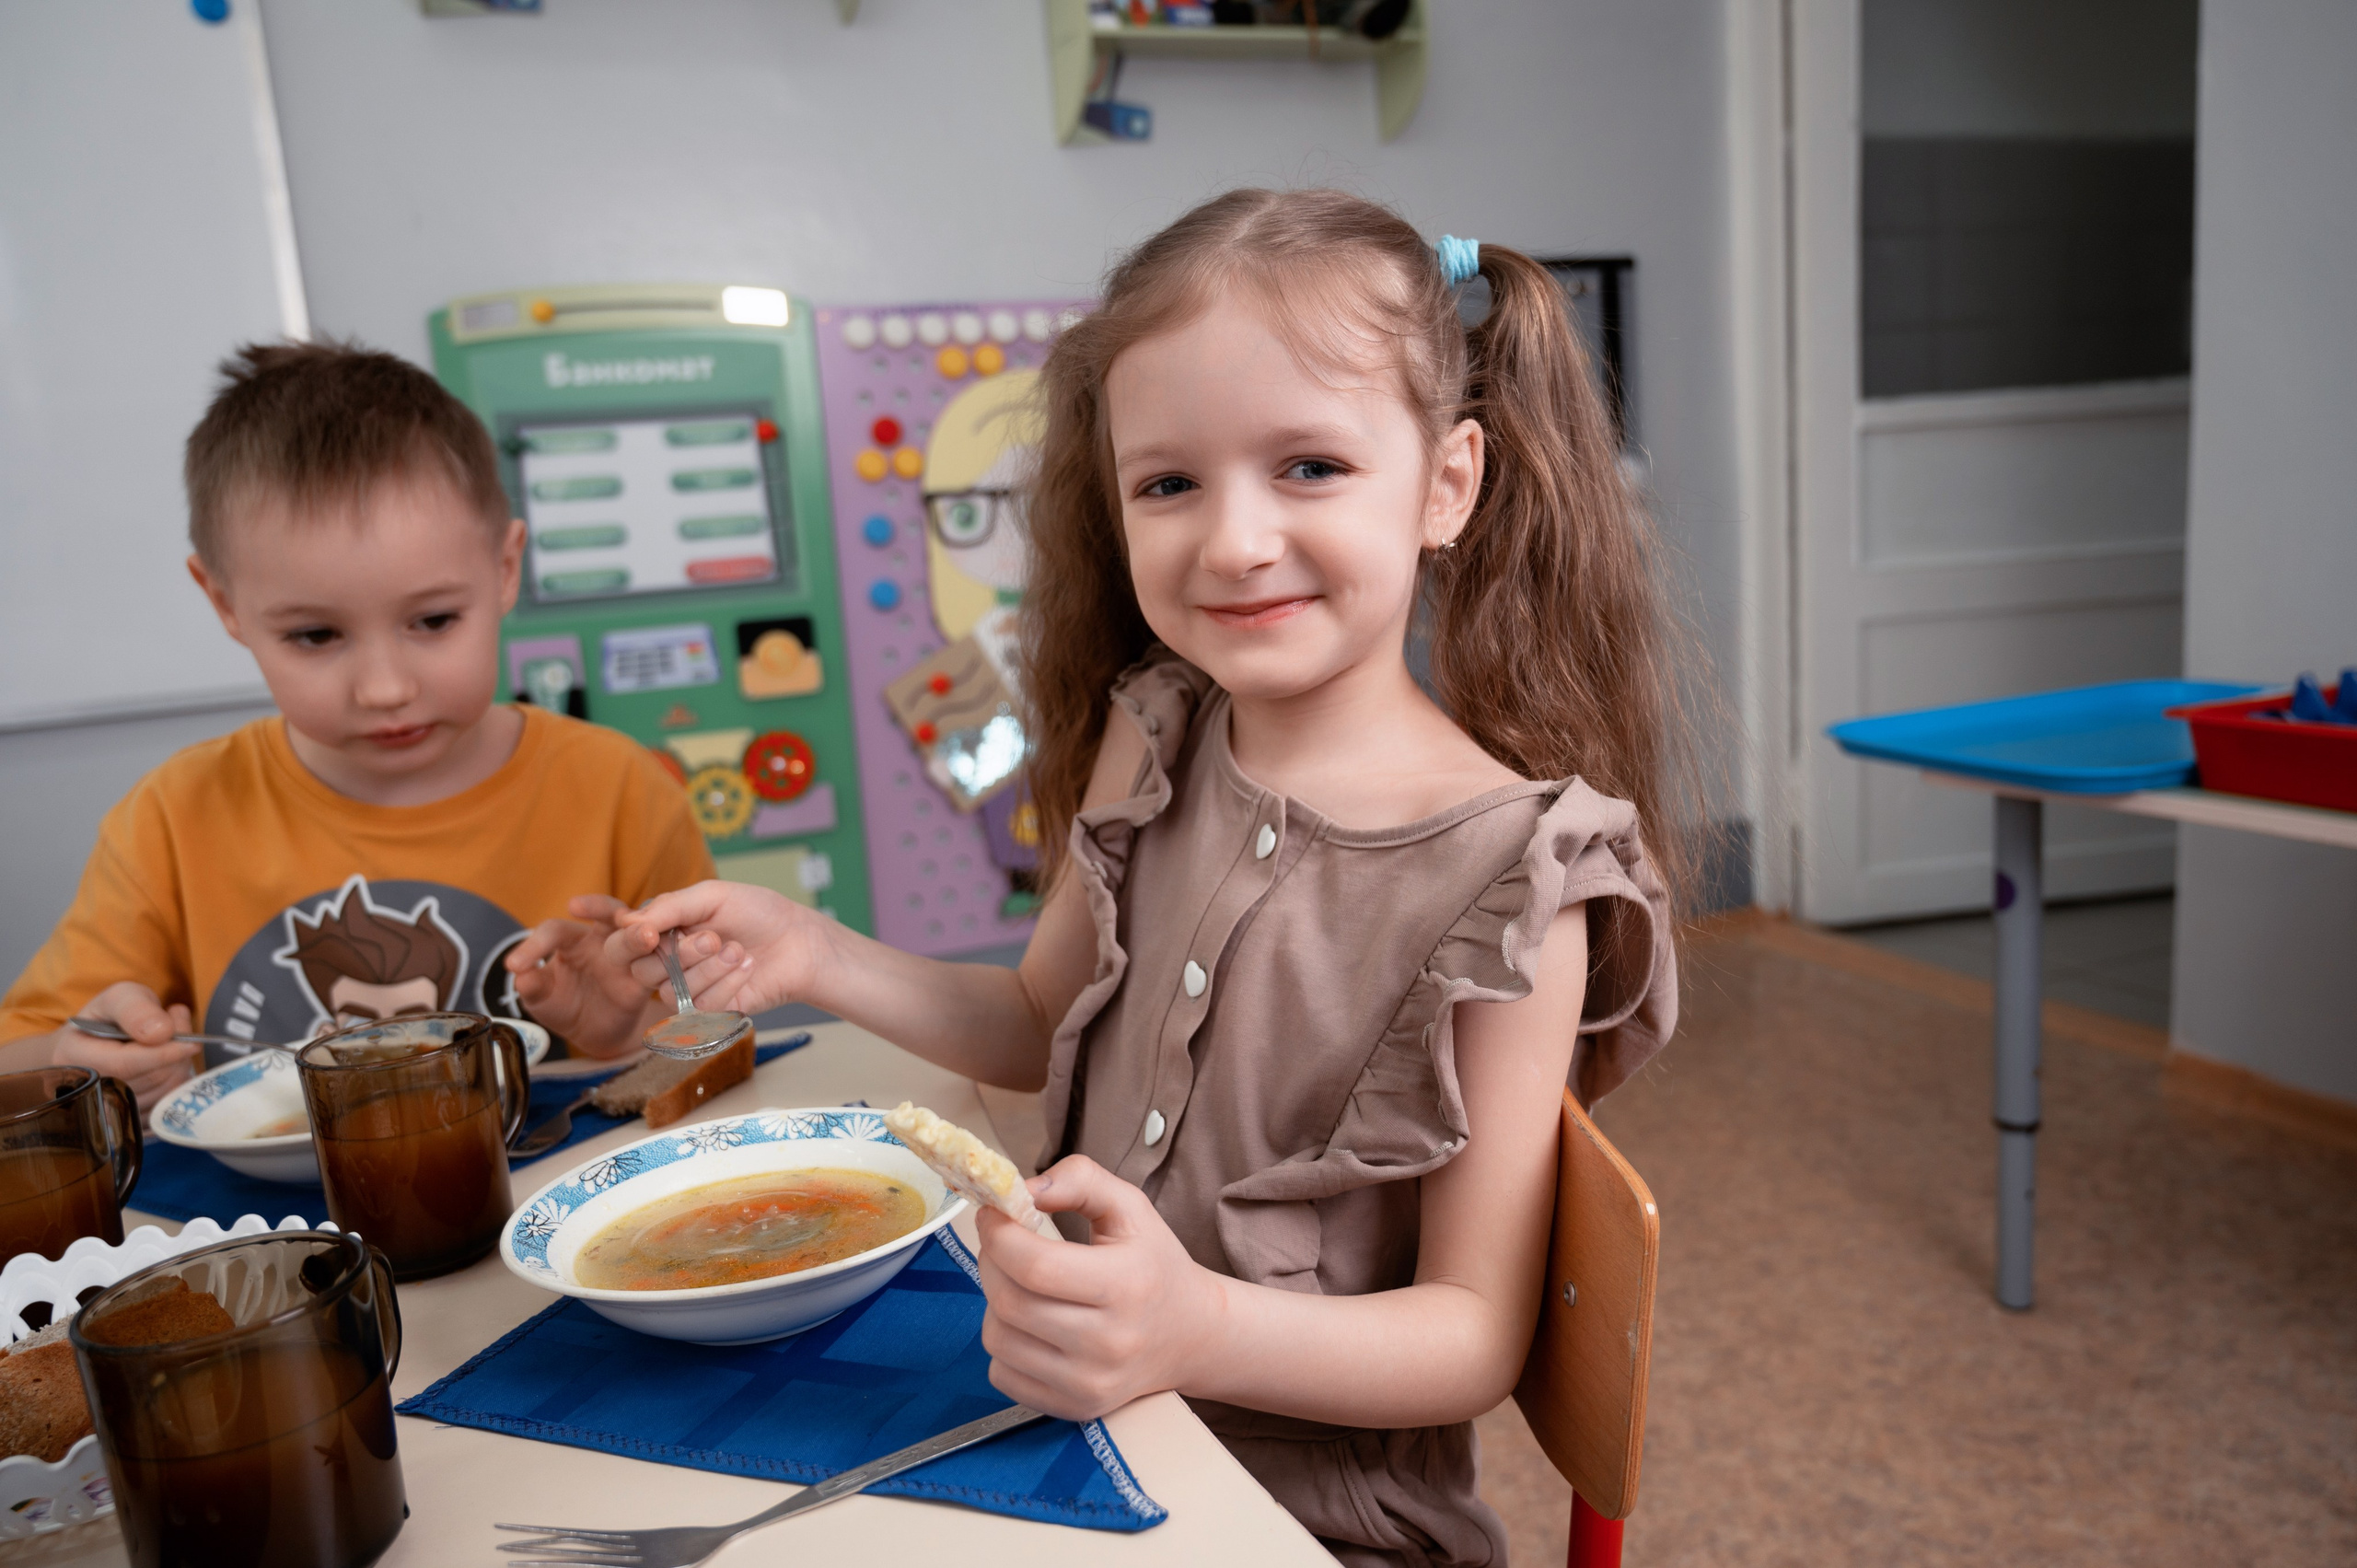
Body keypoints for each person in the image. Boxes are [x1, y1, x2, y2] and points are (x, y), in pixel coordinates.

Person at [609, 189, 1695, 1567]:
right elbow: (1035, 1015)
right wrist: (818, 952)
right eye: (1169, 482)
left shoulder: (1518, 877)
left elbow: (1471, 1335)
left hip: (1308, 1520)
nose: (1232, 540)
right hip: (1067, 1417)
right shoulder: (1156, 725)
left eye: (1308, 465)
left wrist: (1194, 1326)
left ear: (1447, 484)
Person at [0, 341, 713, 1107]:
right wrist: (82, 1058)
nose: (384, 688)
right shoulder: (174, 816)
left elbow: (720, 1037)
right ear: (225, 603)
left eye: (434, 619)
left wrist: (624, 1025)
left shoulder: (618, 788)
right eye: (316, 636)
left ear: (505, 570)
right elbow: (23, 1051)